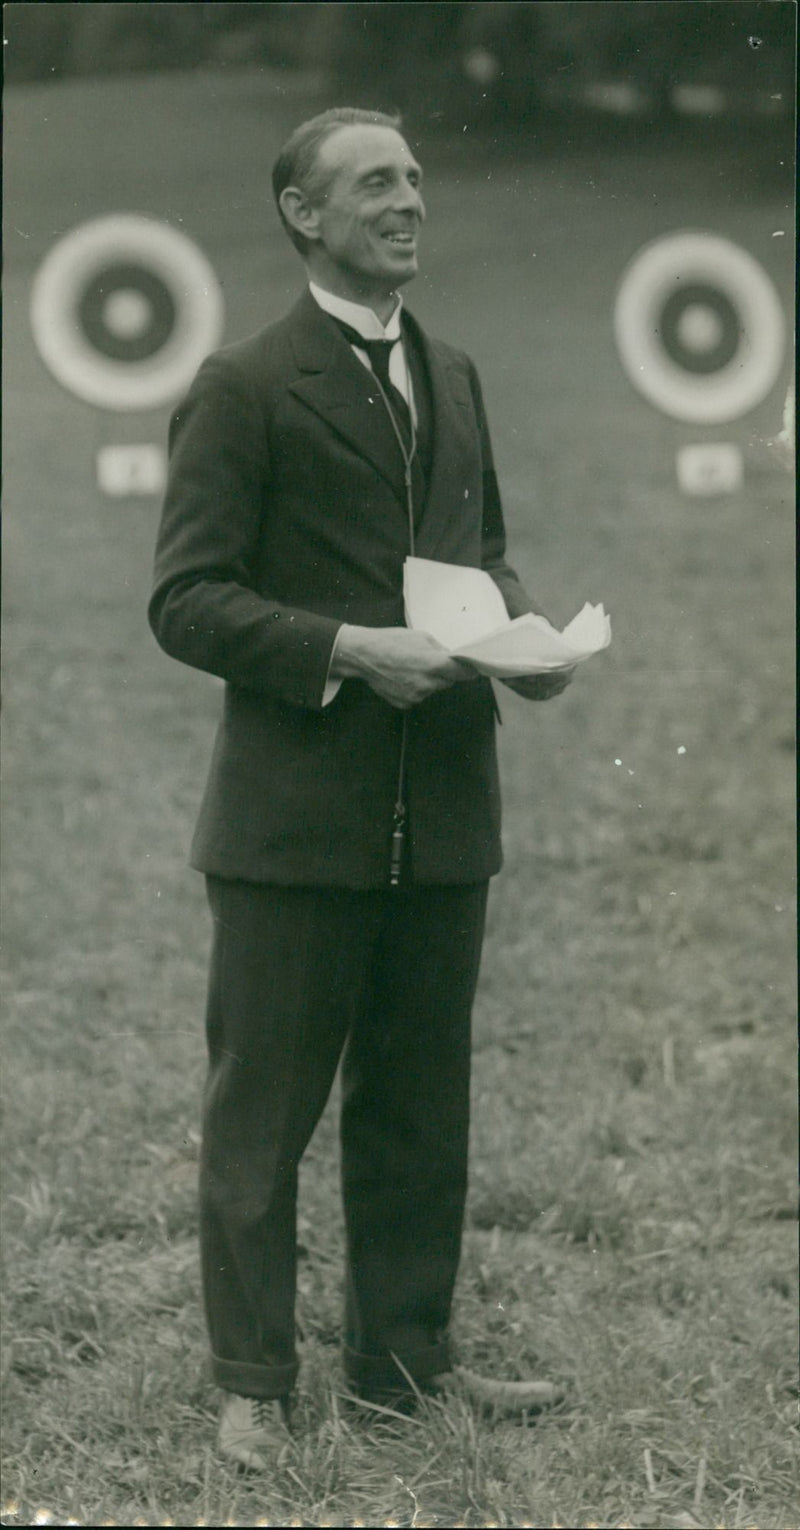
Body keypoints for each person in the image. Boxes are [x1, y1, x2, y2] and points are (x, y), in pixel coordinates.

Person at [149, 106, 572, 1470]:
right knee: (260, 1114)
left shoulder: (455, 370)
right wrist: (342, 650)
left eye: (415, 178)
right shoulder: (243, 383)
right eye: (374, 184)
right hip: (293, 824)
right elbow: (187, 599)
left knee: (418, 1101)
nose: (409, 201)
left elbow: (483, 553)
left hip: (443, 814)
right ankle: (251, 1382)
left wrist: (533, 641)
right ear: (304, 215)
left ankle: (403, 1363)